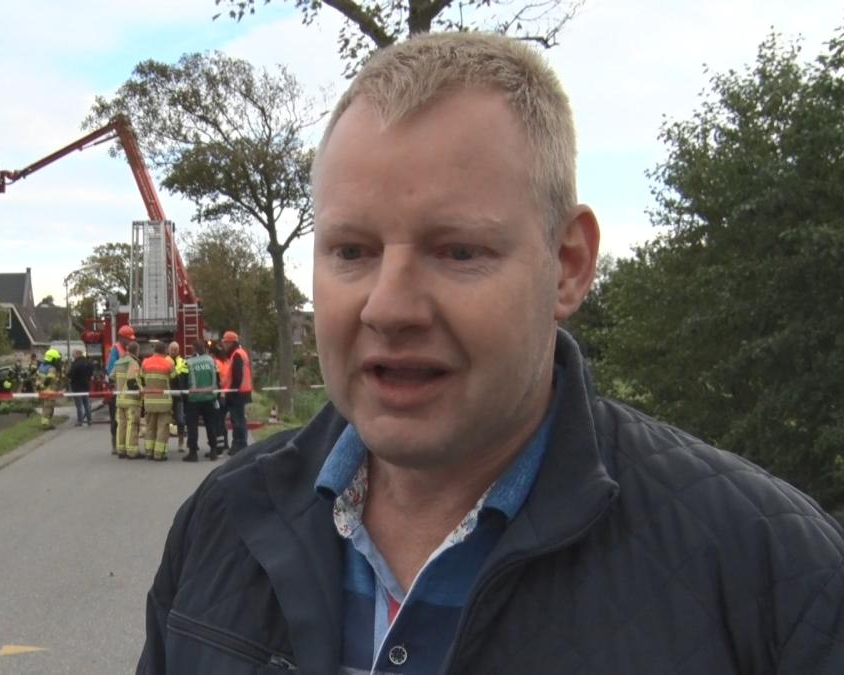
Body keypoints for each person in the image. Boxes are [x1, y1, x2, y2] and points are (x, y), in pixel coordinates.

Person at [137, 32, 844, 675]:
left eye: (459, 251)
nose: (389, 305)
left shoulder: (774, 575)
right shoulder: (219, 523)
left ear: (568, 264)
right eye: (352, 251)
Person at [182, 340, 221, 462]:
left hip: (193, 400)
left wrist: (185, 399)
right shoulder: (212, 361)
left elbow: (182, 382)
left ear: (193, 349)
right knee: (211, 425)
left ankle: (193, 453)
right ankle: (214, 451)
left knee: (192, 426)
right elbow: (218, 379)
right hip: (210, 398)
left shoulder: (187, 363)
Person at [141, 342, 176, 461]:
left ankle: (149, 452)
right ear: (165, 350)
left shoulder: (145, 362)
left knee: (150, 427)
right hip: (164, 402)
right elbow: (174, 379)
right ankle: (159, 453)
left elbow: (141, 377)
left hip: (149, 401)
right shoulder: (168, 363)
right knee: (162, 428)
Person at [220, 330, 252, 455]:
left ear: (230, 343)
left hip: (237, 393)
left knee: (237, 420)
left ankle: (239, 445)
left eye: (225, 343)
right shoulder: (240, 353)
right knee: (239, 419)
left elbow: (237, 376)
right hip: (242, 391)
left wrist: (232, 390)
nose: (224, 345)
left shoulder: (236, 354)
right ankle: (239, 444)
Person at [106, 324, 135, 452]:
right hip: (117, 391)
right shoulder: (115, 350)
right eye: (129, 338)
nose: (131, 341)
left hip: (127, 392)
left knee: (127, 421)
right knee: (116, 420)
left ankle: (123, 445)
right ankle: (114, 445)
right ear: (121, 338)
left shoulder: (127, 350)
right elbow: (111, 370)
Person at [113, 340, 142, 458]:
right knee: (132, 424)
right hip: (131, 400)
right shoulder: (133, 363)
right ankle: (132, 451)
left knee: (121, 425)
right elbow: (131, 382)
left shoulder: (118, 362)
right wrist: (140, 391)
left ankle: (121, 450)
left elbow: (111, 377)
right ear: (137, 351)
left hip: (120, 399)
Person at [167, 341, 188, 452]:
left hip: (179, 395)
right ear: (168, 350)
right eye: (172, 349)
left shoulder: (183, 362)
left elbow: (185, 377)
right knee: (165, 420)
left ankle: (181, 444)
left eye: (176, 349)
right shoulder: (165, 361)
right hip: (167, 395)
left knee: (180, 420)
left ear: (179, 350)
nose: (174, 351)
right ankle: (163, 443)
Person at [68, 348, 95, 426]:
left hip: (77, 387)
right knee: (87, 404)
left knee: (79, 405)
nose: (73, 356)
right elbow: (91, 372)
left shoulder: (75, 364)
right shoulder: (88, 363)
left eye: (73, 354)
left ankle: (80, 421)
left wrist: (69, 377)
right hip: (86, 386)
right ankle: (89, 420)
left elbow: (71, 374)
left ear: (78, 354)